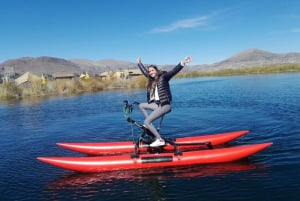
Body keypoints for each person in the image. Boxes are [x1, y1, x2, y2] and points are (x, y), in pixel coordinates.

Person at [136, 56, 192, 147]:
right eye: (149, 71)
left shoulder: (164, 77)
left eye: (152, 71)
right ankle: (149, 124)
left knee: (146, 121)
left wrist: (183, 62)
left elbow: (174, 71)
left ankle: (159, 139)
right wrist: (139, 63)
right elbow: (144, 71)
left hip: (165, 105)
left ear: (157, 70)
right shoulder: (152, 78)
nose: (150, 73)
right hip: (158, 105)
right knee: (141, 105)